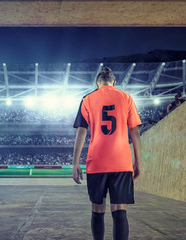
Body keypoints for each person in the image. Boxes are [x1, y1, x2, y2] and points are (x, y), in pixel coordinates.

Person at [72, 67, 142, 240]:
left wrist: (75, 163)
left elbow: (81, 132)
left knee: (97, 211)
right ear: (114, 82)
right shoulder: (126, 98)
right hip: (121, 162)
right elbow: (135, 132)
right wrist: (138, 161)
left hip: (97, 163)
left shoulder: (87, 99)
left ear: (97, 84)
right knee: (119, 212)